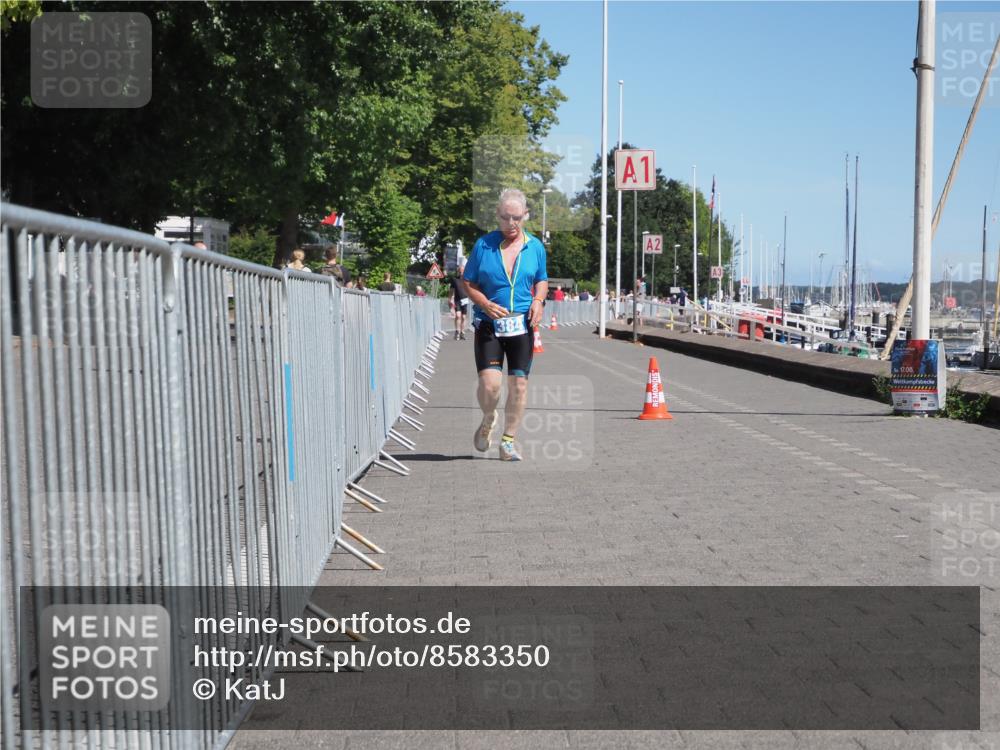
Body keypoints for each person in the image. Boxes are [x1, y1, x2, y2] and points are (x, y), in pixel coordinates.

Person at [462, 188, 548, 461]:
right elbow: (468, 282)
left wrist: (539, 301)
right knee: (490, 386)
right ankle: (489, 419)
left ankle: (508, 441)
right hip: (490, 324)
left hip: (522, 324)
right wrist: (484, 303)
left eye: (517, 218)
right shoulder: (483, 246)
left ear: (526, 216)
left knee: (519, 384)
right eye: (505, 218)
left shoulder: (535, 247)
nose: (511, 224)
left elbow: (542, 279)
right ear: (497, 217)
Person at [450, 258, 470, 340]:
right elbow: (451, 291)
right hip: (457, 300)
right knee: (458, 316)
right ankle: (457, 331)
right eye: (460, 271)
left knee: (464, 317)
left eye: (463, 271)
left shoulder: (467, 279)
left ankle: (462, 332)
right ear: (458, 271)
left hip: (465, 300)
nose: (461, 272)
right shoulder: (455, 280)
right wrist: (450, 299)